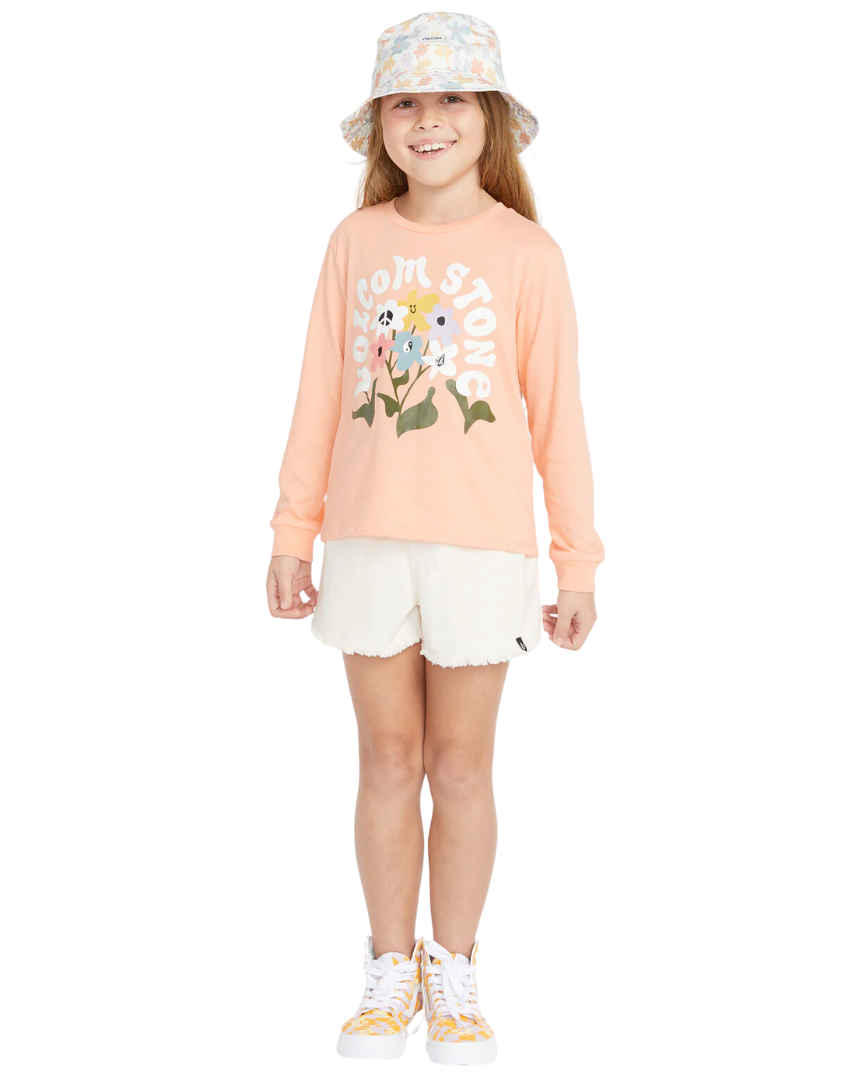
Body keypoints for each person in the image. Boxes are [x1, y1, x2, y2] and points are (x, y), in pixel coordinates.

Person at [266, 11, 604, 1067]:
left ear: (490, 116)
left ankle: (454, 973)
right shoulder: (355, 243)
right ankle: (388, 967)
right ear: (380, 124)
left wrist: (578, 561)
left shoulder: (528, 254)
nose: (429, 119)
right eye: (406, 100)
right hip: (368, 541)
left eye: (452, 96)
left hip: (481, 551)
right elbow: (319, 395)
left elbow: (559, 420)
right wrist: (293, 532)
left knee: (460, 768)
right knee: (385, 759)